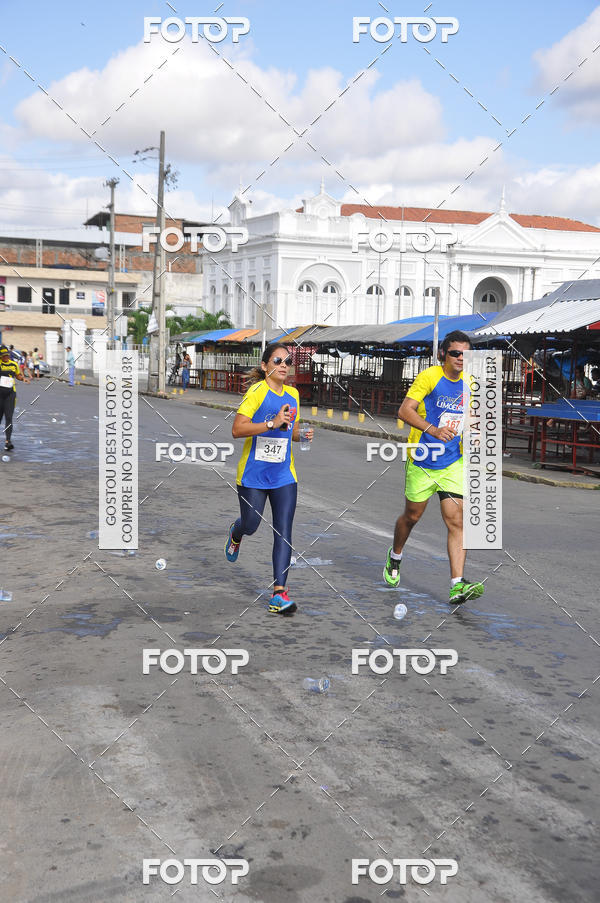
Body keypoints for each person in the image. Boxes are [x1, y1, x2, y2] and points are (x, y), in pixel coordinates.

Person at [383, 330, 484, 605]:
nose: (461, 358)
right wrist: (433, 430)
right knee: (412, 517)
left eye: (466, 354)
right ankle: (395, 556)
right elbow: (405, 411)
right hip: (423, 459)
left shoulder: (471, 382)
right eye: (455, 353)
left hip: (453, 461)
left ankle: (456, 585)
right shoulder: (429, 377)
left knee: (456, 519)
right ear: (443, 354)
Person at [224, 343, 313, 614]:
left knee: (283, 532)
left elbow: (291, 430)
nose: (284, 365)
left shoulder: (293, 394)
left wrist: (301, 435)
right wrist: (271, 423)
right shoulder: (257, 392)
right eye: (278, 360)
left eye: (288, 361)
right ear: (265, 366)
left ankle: (279, 594)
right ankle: (236, 532)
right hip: (253, 475)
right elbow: (237, 429)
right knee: (251, 524)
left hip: (284, 475)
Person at [0, 344, 29, 451]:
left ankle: (8, 441)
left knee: (8, 417)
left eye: (7, 355)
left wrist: (23, 379)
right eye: (3, 355)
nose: (6, 357)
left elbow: (17, 375)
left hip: (10, 395)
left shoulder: (14, 364)